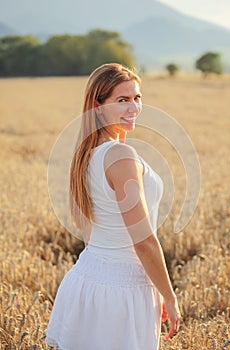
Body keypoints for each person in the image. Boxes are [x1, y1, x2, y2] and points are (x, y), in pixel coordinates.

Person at [45, 63, 181, 350]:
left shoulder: (87, 155)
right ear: (98, 106)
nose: (133, 107)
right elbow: (144, 240)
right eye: (122, 100)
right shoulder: (120, 156)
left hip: (88, 279)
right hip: (121, 291)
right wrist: (168, 294)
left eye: (137, 98)